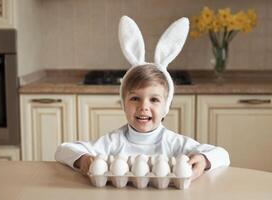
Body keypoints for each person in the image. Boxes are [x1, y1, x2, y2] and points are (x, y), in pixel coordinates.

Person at [55, 16, 230, 179]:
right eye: (135, 98)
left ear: (166, 106)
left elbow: (223, 154)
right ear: (124, 104)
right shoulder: (113, 142)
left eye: (154, 100)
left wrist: (203, 159)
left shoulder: (175, 144)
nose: (143, 107)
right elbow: (63, 150)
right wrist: (83, 158)